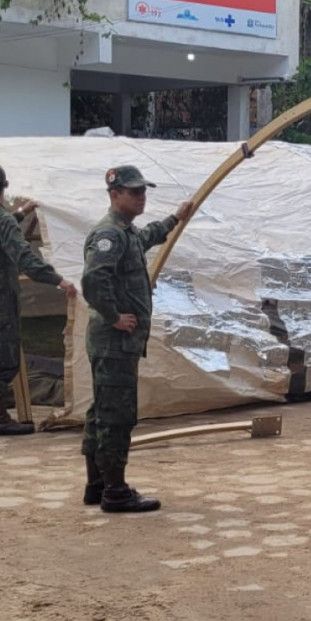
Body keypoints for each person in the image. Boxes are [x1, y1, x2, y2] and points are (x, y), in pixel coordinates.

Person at [81, 166, 193, 513]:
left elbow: (147, 238)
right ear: (115, 195)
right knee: (116, 415)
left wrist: (176, 218)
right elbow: (93, 281)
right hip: (113, 342)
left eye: (143, 191)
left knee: (102, 410)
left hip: (117, 344)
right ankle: (115, 491)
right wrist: (114, 316)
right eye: (134, 192)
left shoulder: (126, 233)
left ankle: (97, 484)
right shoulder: (109, 235)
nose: (141, 196)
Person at [0, 164, 76, 435]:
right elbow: (24, 257)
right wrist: (59, 280)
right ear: (5, 185)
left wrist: (24, 212)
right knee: (0, 358)